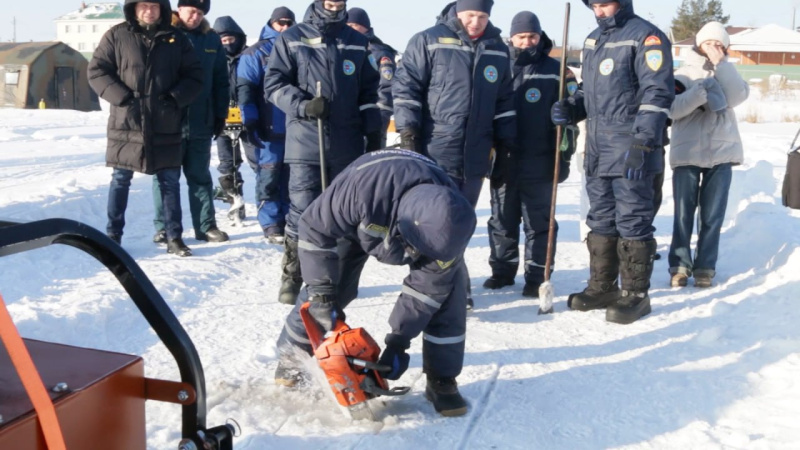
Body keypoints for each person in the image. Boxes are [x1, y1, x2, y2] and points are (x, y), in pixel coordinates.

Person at [274, 149, 477, 417]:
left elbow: (426, 292)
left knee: (449, 292)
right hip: (360, 223)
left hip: (414, 225)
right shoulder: (360, 190)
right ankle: (291, 359)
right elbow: (314, 229)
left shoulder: (451, 228)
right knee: (326, 287)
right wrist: (322, 293)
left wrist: (399, 341)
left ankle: (442, 378)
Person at [550, 0, 674, 324]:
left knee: (633, 219)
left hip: (632, 147)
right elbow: (590, 94)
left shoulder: (646, 37)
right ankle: (603, 287)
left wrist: (643, 141)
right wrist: (572, 107)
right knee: (601, 219)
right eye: (594, 5)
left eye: (605, 4)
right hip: (597, 149)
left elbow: (657, 94)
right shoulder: (593, 40)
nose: (599, 11)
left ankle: (635, 294)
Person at [264, 0, 382, 305]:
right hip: (306, 141)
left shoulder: (357, 42)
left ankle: (335, 280)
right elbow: (273, 85)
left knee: (344, 216)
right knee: (303, 211)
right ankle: (293, 275)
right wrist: (303, 105)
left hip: (347, 144)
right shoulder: (293, 38)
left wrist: (373, 128)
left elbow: (369, 91)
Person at [88, 0, 203, 257]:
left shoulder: (176, 39)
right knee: (120, 179)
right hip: (126, 122)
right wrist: (122, 97)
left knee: (169, 181)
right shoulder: (117, 35)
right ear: (134, 7)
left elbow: (195, 76)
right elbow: (97, 71)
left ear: (163, 9)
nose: (149, 11)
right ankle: (113, 236)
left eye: (154, 6)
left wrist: (174, 98)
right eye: (143, 6)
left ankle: (174, 237)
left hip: (165, 121)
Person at [484, 11, 577, 297]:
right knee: (502, 219)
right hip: (504, 158)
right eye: (521, 36)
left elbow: (574, 114)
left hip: (541, 159)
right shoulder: (497, 66)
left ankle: (537, 275)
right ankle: (502, 271)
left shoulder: (558, 70)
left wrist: (565, 154)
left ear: (540, 36)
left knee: (539, 222)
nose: (527, 42)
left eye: (532, 36)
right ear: (511, 37)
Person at [393, 0, 516, 208]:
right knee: (432, 218)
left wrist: (505, 146)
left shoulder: (497, 49)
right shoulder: (428, 40)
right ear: (458, 11)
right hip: (435, 152)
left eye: (483, 17)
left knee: (462, 219)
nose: (476, 22)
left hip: (476, 157)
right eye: (470, 15)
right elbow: (406, 89)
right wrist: (408, 133)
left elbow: (503, 102)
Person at [667, 22, 748, 288]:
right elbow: (672, 109)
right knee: (683, 214)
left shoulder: (728, 72)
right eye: (708, 43)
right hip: (687, 152)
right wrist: (699, 93)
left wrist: (722, 66)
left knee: (712, 216)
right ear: (698, 45)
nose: (713, 47)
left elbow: (736, 97)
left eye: (718, 44)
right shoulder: (682, 74)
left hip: (722, 152)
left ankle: (705, 268)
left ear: (725, 47)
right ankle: (679, 266)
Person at [152, 0, 230, 245]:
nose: (195, 16)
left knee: (200, 175)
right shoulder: (163, 34)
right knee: (166, 177)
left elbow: (221, 80)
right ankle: (164, 227)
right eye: (191, 11)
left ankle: (206, 226)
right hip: (168, 120)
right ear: (180, 9)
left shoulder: (211, 39)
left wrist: (220, 114)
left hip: (200, 120)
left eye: (200, 13)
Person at [236, 7, 296, 244]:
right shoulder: (256, 52)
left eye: (289, 23)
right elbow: (245, 88)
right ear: (272, 23)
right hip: (268, 126)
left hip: (296, 127)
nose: (285, 27)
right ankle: (271, 222)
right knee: (269, 176)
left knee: (293, 178)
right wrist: (249, 119)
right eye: (281, 23)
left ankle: (292, 219)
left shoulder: (299, 49)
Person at [211, 16, 247, 222]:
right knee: (227, 163)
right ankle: (234, 199)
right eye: (223, 40)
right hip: (223, 116)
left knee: (257, 162)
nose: (227, 44)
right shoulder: (213, 60)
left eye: (231, 39)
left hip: (248, 115)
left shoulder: (249, 56)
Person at [346, 7, 399, 148]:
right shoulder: (346, 49)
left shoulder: (379, 52)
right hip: (350, 120)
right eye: (347, 25)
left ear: (365, 27)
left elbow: (386, 89)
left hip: (373, 120)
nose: (349, 29)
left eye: (353, 25)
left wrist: (377, 122)